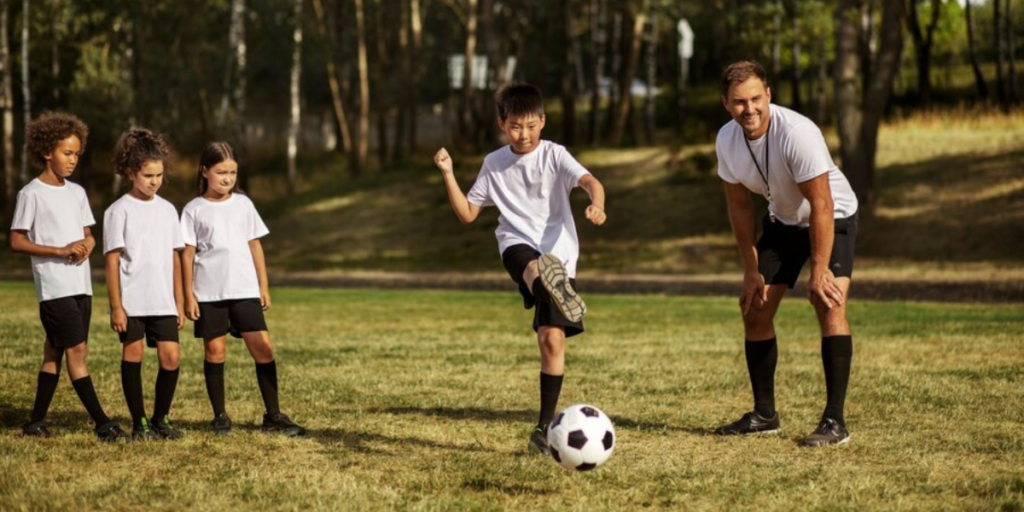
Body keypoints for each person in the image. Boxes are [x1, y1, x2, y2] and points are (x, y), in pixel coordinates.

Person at [432, 84, 607, 455]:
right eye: (514, 126)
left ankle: (543, 429)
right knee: (534, 269)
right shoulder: (494, 163)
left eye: (530, 125)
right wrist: (447, 173)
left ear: (542, 121)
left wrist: (597, 204)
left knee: (552, 341)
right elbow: (467, 214)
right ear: (501, 124)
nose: (523, 134)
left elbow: (590, 181)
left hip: (559, 252)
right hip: (516, 245)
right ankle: (547, 283)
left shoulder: (555, 155)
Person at [714, 60, 859, 446]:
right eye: (740, 102)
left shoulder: (797, 133)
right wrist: (751, 270)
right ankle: (765, 415)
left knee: (830, 303)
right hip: (782, 221)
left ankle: (834, 423)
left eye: (756, 99)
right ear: (726, 103)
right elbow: (741, 208)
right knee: (755, 308)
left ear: (769, 95)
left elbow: (823, 205)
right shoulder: (727, 140)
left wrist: (821, 269)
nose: (750, 109)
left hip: (833, 215)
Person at [10, 112, 128, 441]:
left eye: (77, 154)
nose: (73, 160)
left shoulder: (77, 192)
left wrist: (87, 245)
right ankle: (103, 423)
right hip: (54, 288)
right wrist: (60, 251)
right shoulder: (30, 193)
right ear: (47, 151)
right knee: (77, 352)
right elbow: (16, 241)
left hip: (81, 286)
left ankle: (35, 423)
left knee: (55, 351)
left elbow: (89, 235)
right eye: (67, 153)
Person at [180, 141, 306, 437]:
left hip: (245, 290)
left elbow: (255, 245)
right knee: (215, 351)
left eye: (233, 173)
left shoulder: (244, 204)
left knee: (263, 348)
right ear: (204, 171)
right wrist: (188, 295)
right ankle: (220, 416)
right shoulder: (193, 209)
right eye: (221, 172)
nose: (227, 178)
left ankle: (273, 416)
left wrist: (263, 285)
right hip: (209, 294)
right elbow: (186, 255)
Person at [104, 129, 185, 440]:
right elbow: (112, 261)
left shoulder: (167, 210)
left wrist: (179, 301)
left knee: (171, 357)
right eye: (148, 175)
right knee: (133, 356)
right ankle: (139, 423)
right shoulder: (118, 211)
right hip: (132, 302)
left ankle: (160, 419)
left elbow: (175, 258)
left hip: (163, 301)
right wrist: (116, 307)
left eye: (159, 175)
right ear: (129, 172)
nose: (155, 181)